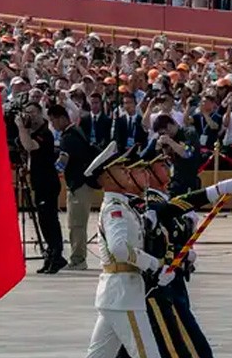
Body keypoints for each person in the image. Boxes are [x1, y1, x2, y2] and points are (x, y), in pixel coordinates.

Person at [115, 151, 232, 358]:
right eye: (159, 166)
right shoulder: (139, 204)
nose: (167, 169)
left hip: (167, 281)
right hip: (152, 286)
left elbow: (169, 221)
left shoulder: (154, 201)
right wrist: (215, 191)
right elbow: (163, 214)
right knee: (184, 347)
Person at [84, 142, 163, 358]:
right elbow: (118, 249)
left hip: (117, 295)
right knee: (147, 354)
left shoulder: (123, 205)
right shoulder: (115, 209)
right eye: (120, 168)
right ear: (107, 178)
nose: (127, 171)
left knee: (99, 355)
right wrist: (152, 264)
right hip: (124, 293)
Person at [16, 101, 65, 274]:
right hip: (39, 182)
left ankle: (56, 254)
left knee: (49, 220)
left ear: (40, 113)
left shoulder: (45, 133)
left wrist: (21, 127)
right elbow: (30, 153)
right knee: (43, 221)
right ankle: (50, 253)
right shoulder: (34, 132)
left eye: (33, 112)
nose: (30, 116)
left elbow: (30, 146)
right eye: (27, 113)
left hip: (47, 183)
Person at [53, 104, 97, 271]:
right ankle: (78, 257)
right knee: (77, 222)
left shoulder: (68, 137)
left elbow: (63, 161)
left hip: (79, 184)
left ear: (62, 118)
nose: (53, 124)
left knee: (76, 224)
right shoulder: (77, 132)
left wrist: (52, 169)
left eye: (53, 120)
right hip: (82, 183)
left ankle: (78, 259)